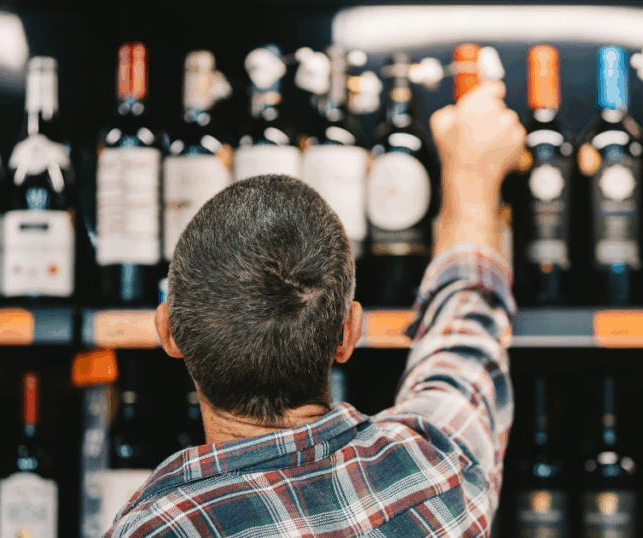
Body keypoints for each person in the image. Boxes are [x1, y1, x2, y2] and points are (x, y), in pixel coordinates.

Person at [105, 81, 526, 537]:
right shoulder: (432, 473)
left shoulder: (156, 527)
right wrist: (470, 178)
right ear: (348, 333)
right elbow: (464, 344)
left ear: (168, 331)